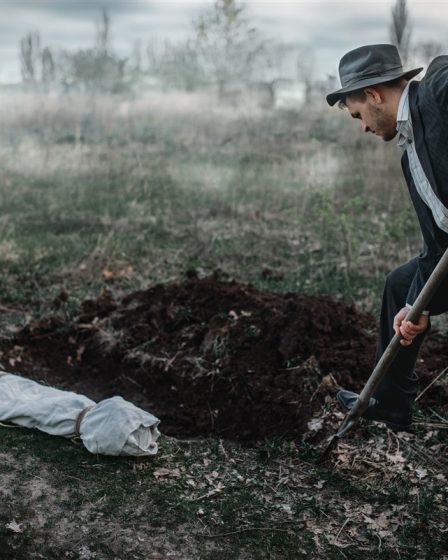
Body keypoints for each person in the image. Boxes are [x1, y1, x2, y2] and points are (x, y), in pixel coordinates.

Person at [326, 44, 448, 430]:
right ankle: (390, 404)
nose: (362, 126)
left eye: (359, 114)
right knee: (400, 285)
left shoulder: (435, 91)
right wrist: (417, 307)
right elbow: (437, 247)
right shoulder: (410, 158)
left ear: (375, 95)